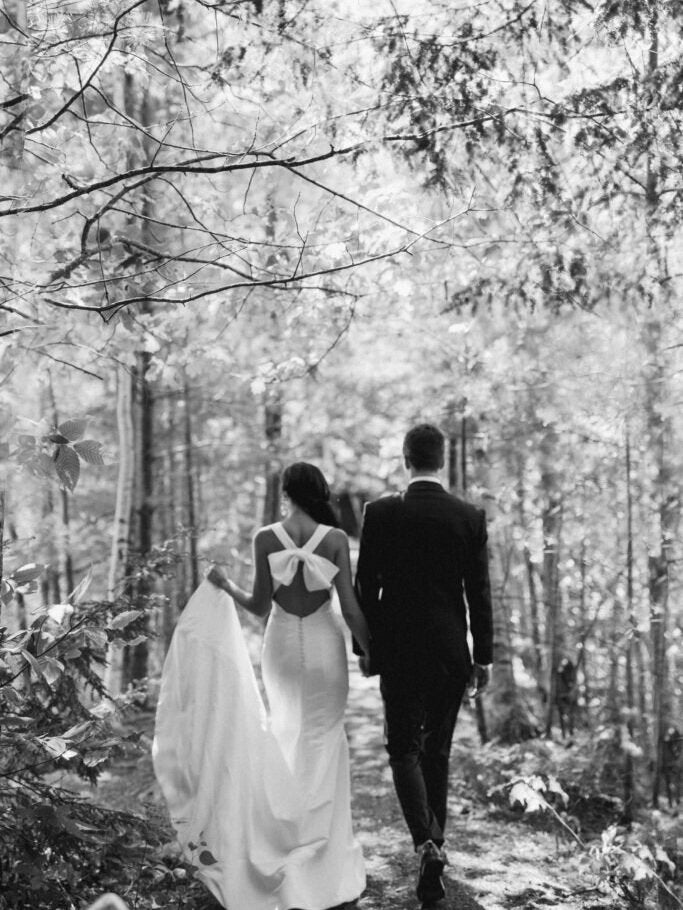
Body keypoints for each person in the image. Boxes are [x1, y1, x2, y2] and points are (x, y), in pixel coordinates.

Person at [153, 462, 369, 910]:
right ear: (318, 493)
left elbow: (256, 606)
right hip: (326, 643)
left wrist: (223, 584)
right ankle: (322, 850)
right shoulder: (333, 539)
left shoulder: (266, 537)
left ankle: (284, 833)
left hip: (283, 644)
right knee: (325, 735)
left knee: (288, 732)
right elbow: (349, 606)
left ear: (287, 493)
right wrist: (372, 651)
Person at [355, 423, 493, 908]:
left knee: (402, 748)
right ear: (442, 457)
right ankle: (436, 841)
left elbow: (364, 588)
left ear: (405, 458)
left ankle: (427, 841)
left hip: (398, 650)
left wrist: (366, 648)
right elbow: (478, 594)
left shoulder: (381, 512)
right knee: (438, 749)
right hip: (451, 650)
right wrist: (484, 656)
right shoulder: (469, 516)